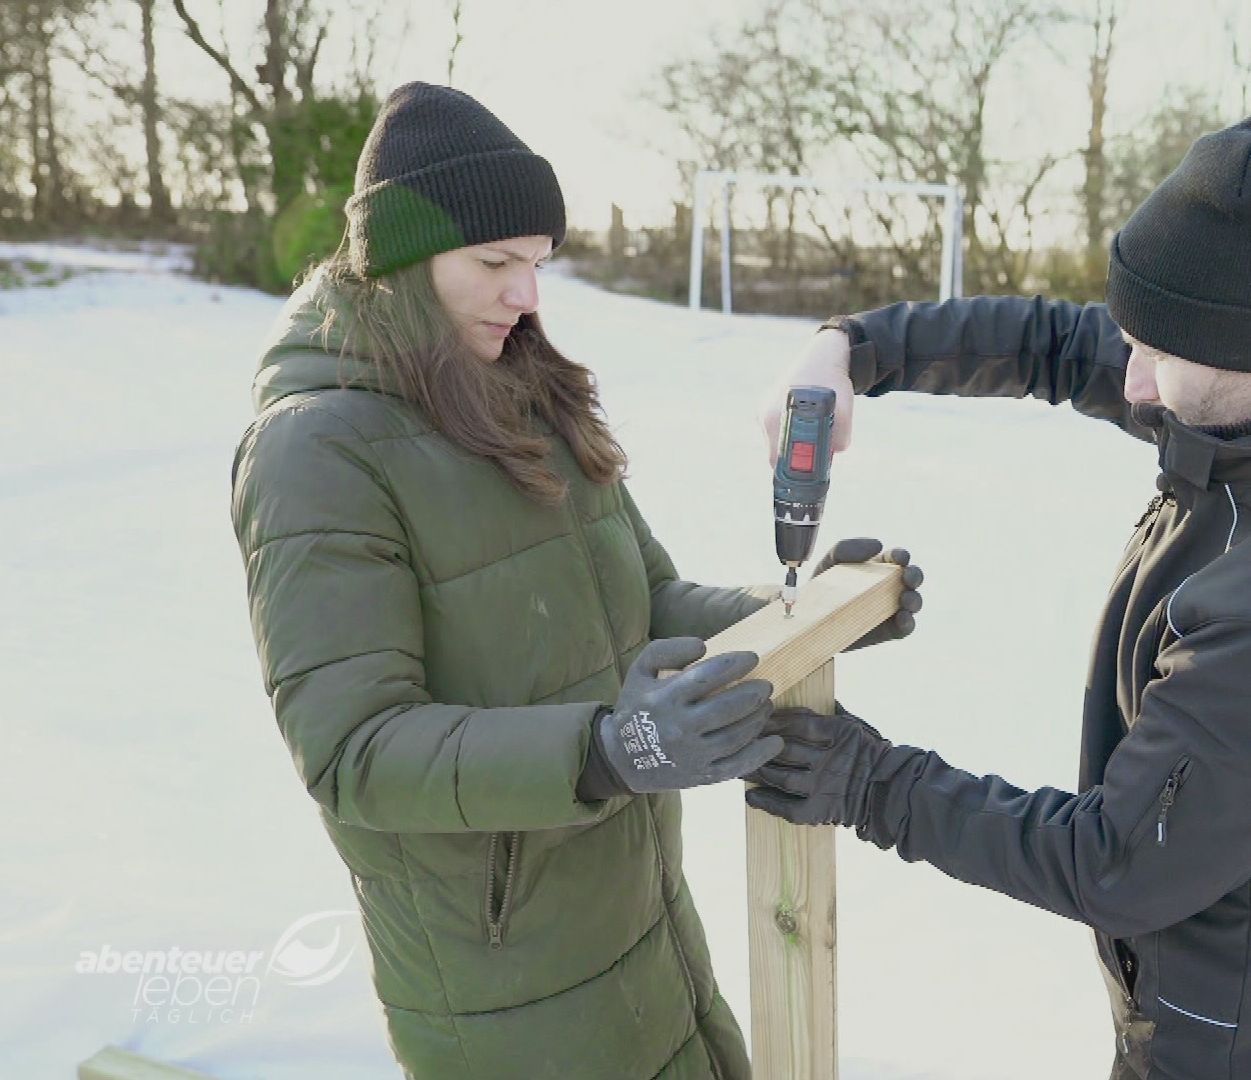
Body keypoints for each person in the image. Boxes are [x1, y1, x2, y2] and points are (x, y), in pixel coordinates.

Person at [748, 106, 1251, 1080]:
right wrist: (854, 351)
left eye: (1156, 355)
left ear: (1247, 355)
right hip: (1235, 970)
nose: (1129, 382)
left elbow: (1117, 861)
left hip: (1249, 1045)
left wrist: (874, 783)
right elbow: (1059, 345)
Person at [228, 82, 920, 1080]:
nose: (527, 296)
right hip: (501, 982)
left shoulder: (523, 395)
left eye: (539, 263)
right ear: (399, 263)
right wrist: (605, 751)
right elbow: (354, 751)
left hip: (639, 915)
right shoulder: (314, 452)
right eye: (495, 263)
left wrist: (812, 617)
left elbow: (649, 605)